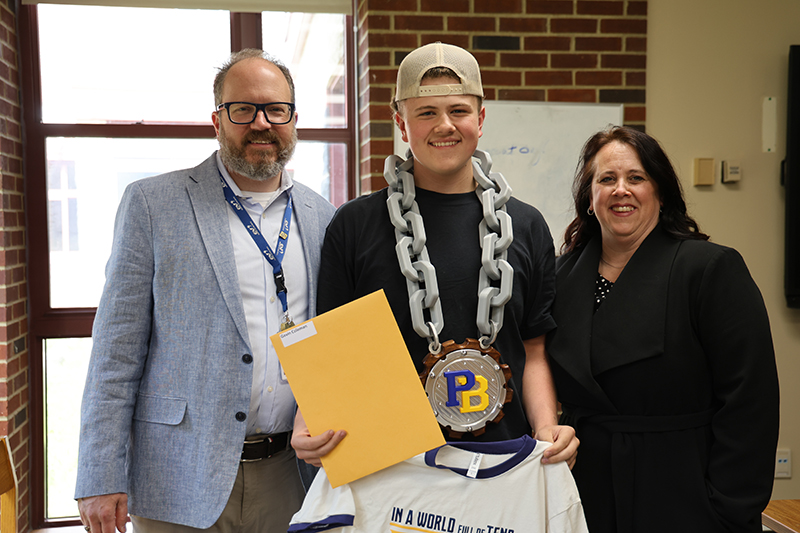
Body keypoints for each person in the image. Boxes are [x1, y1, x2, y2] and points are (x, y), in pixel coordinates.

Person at [74, 49, 335, 533]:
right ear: (217, 120)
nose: (261, 123)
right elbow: (116, 352)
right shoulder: (153, 204)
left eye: (275, 110)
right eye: (243, 110)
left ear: (294, 119)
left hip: (291, 475)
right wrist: (99, 473)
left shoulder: (323, 217)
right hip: (178, 473)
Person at [291, 42, 579, 468]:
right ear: (402, 125)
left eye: (458, 111)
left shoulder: (527, 226)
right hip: (391, 465)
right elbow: (332, 346)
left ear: (480, 120)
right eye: (426, 112)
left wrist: (545, 429)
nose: (445, 125)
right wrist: (309, 417)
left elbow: (533, 348)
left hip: (505, 459)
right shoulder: (353, 226)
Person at [546, 125, 780, 533]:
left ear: (661, 191)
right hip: (583, 495)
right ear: (589, 197)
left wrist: (725, 509)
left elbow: (750, 402)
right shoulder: (558, 276)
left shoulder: (708, 269)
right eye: (607, 179)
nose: (621, 190)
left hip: (683, 496)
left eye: (636, 178)